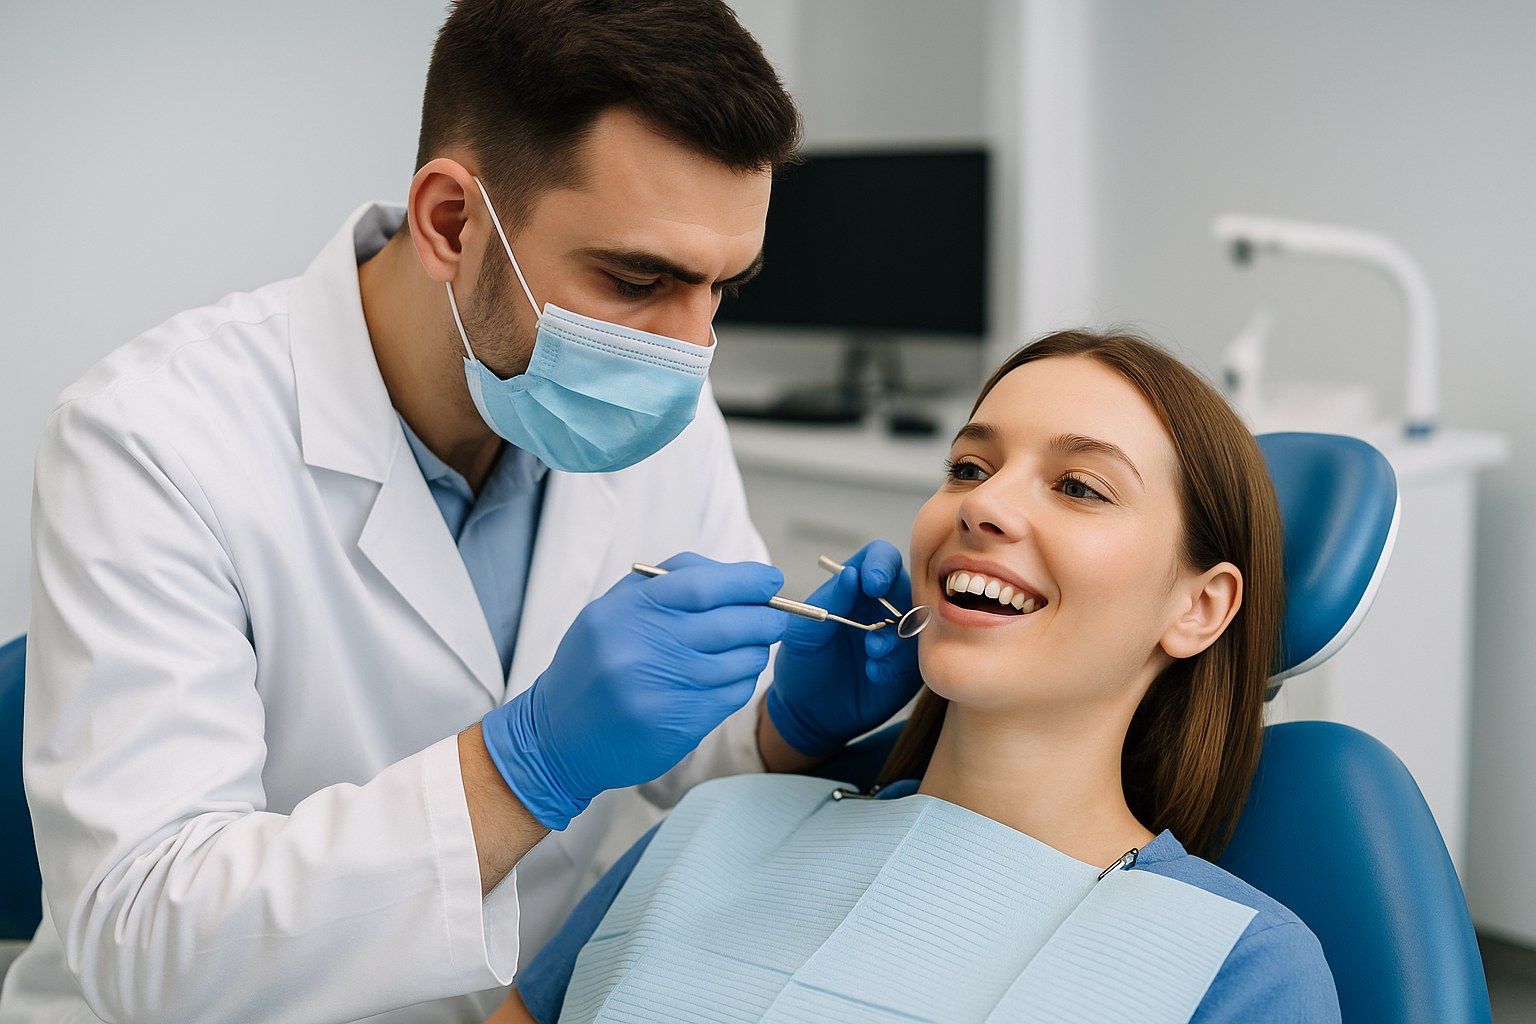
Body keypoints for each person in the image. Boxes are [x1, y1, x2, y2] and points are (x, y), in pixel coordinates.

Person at [5, 3, 924, 1022]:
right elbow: (146, 940)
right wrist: (520, 765)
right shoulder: (152, 435)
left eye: (722, 289)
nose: (687, 347)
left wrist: (780, 721)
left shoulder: (659, 398)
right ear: (453, 221)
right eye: (637, 278)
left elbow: (680, 744)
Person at [489, 330, 1342, 1023]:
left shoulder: (1241, 964)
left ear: (1199, 608)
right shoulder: (713, 823)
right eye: (970, 467)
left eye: (1079, 487)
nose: (983, 504)